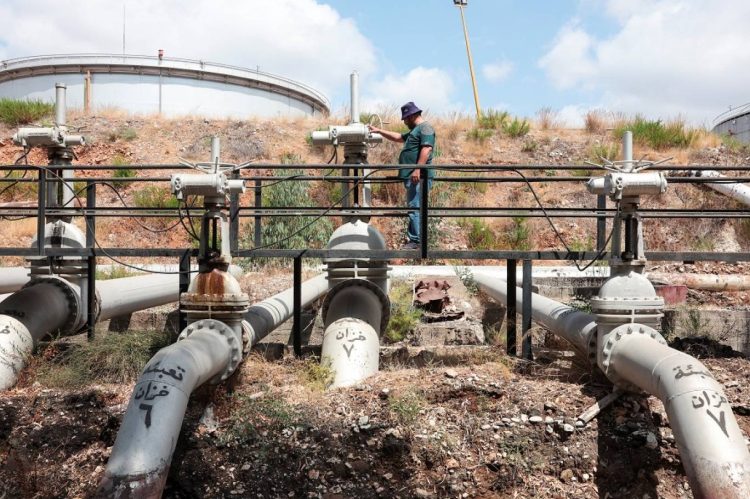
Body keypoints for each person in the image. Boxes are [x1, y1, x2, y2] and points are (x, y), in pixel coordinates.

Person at [369, 101, 436, 249]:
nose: (405, 122)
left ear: (411, 116)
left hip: (419, 177)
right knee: (414, 207)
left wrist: (417, 169)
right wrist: (379, 131)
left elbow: (427, 149)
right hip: (414, 177)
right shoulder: (415, 130)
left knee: (415, 207)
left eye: (405, 119)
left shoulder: (425, 128)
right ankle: (414, 240)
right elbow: (398, 137)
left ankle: (416, 241)